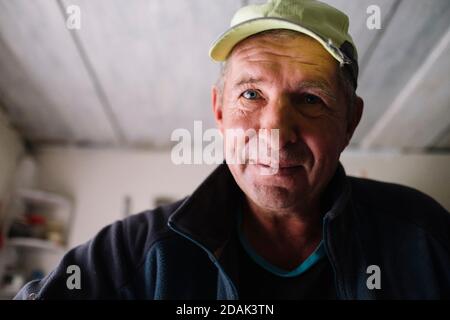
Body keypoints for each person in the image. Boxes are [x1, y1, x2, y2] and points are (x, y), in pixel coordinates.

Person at [15, 0, 450, 300]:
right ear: (219, 110)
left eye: (310, 99)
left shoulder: (424, 238)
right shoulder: (138, 251)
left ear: (350, 121)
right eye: (250, 95)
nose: (276, 133)